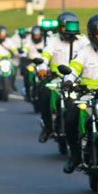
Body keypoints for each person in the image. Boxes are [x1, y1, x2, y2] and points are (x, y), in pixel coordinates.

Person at [62, 14, 98, 173]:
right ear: (92, 36)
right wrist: (68, 79)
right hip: (88, 95)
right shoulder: (84, 51)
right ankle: (75, 155)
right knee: (70, 116)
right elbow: (73, 68)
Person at [37, 12, 88, 143]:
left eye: (71, 27)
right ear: (59, 27)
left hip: (76, 80)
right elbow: (46, 54)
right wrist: (42, 67)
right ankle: (48, 127)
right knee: (44, 93)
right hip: (57, 78)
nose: (68, 30)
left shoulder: (83, 40)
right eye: (65, 27)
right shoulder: (53, 39)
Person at [0, 25, 18, 90]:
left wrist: (16, 54)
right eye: (1, 34)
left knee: (14, 67)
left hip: (8, 59)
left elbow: (14, 49)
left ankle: (12, 84)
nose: (3, 36)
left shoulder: (9, 40)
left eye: (4, 34)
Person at [21, 25, 45, 99]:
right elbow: (25, 49)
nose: (36, 36)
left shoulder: (45, 41)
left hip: (42, 63)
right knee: (28, 73)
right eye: (35, 35)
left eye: (38, 35)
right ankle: (27, 90)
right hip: (31, 62)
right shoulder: (28, 40)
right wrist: (24, 54)